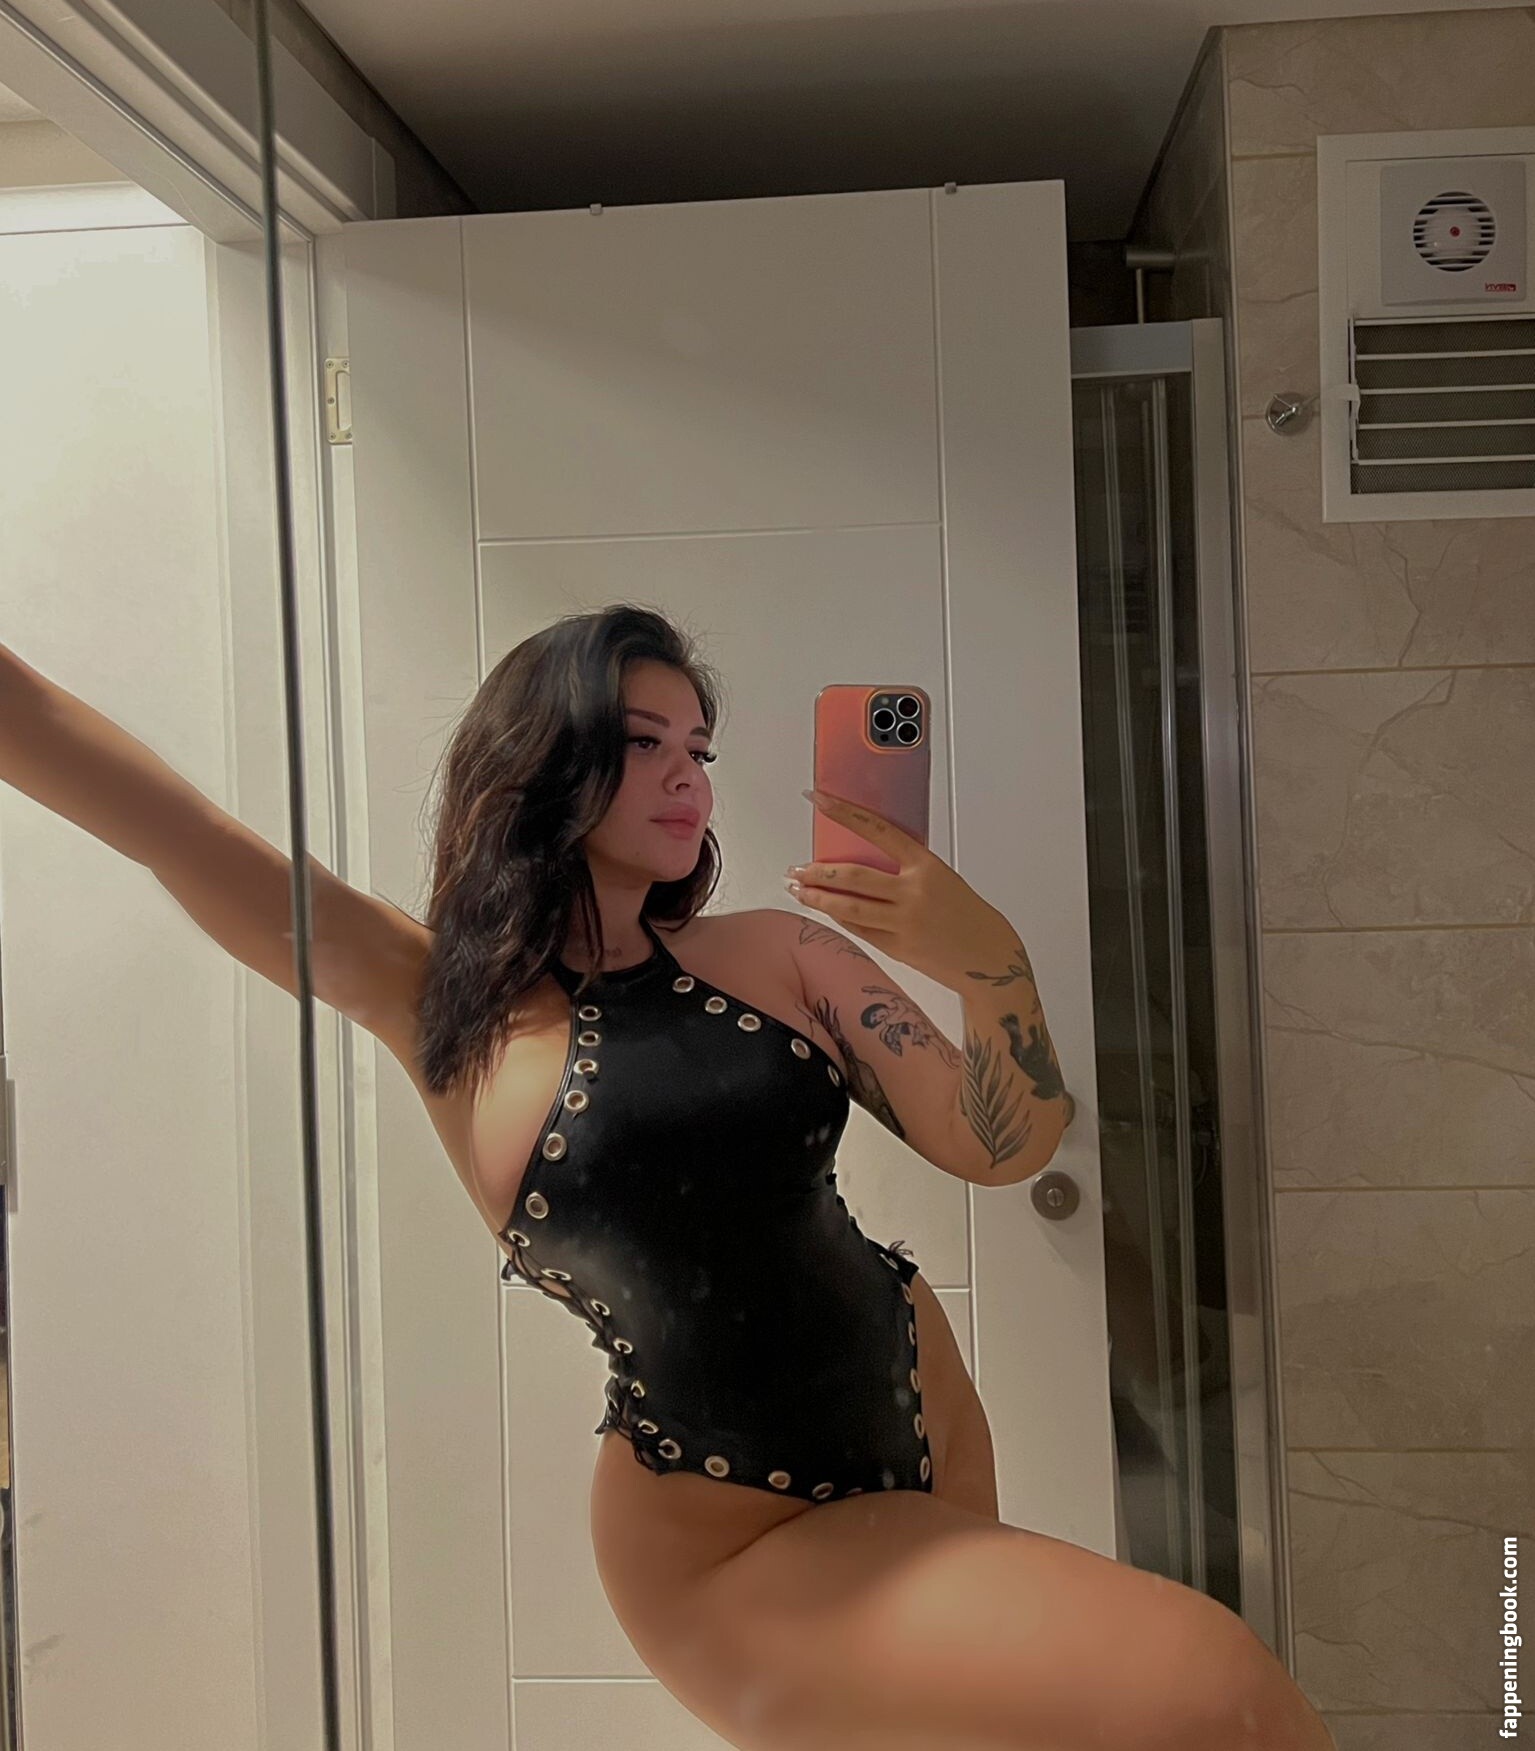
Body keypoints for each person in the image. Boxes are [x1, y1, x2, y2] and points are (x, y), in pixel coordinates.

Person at [0, 603, 1335, 1751]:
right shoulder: (438, 1003)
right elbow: (169, 826)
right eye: (646, 742)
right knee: (1211, 1693)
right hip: (728, 1531)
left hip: (924, 1418)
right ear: (547, 761)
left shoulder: (779, 955)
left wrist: (987, 960)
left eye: (699, 747)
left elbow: (1004, 1145)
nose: (688, 774)